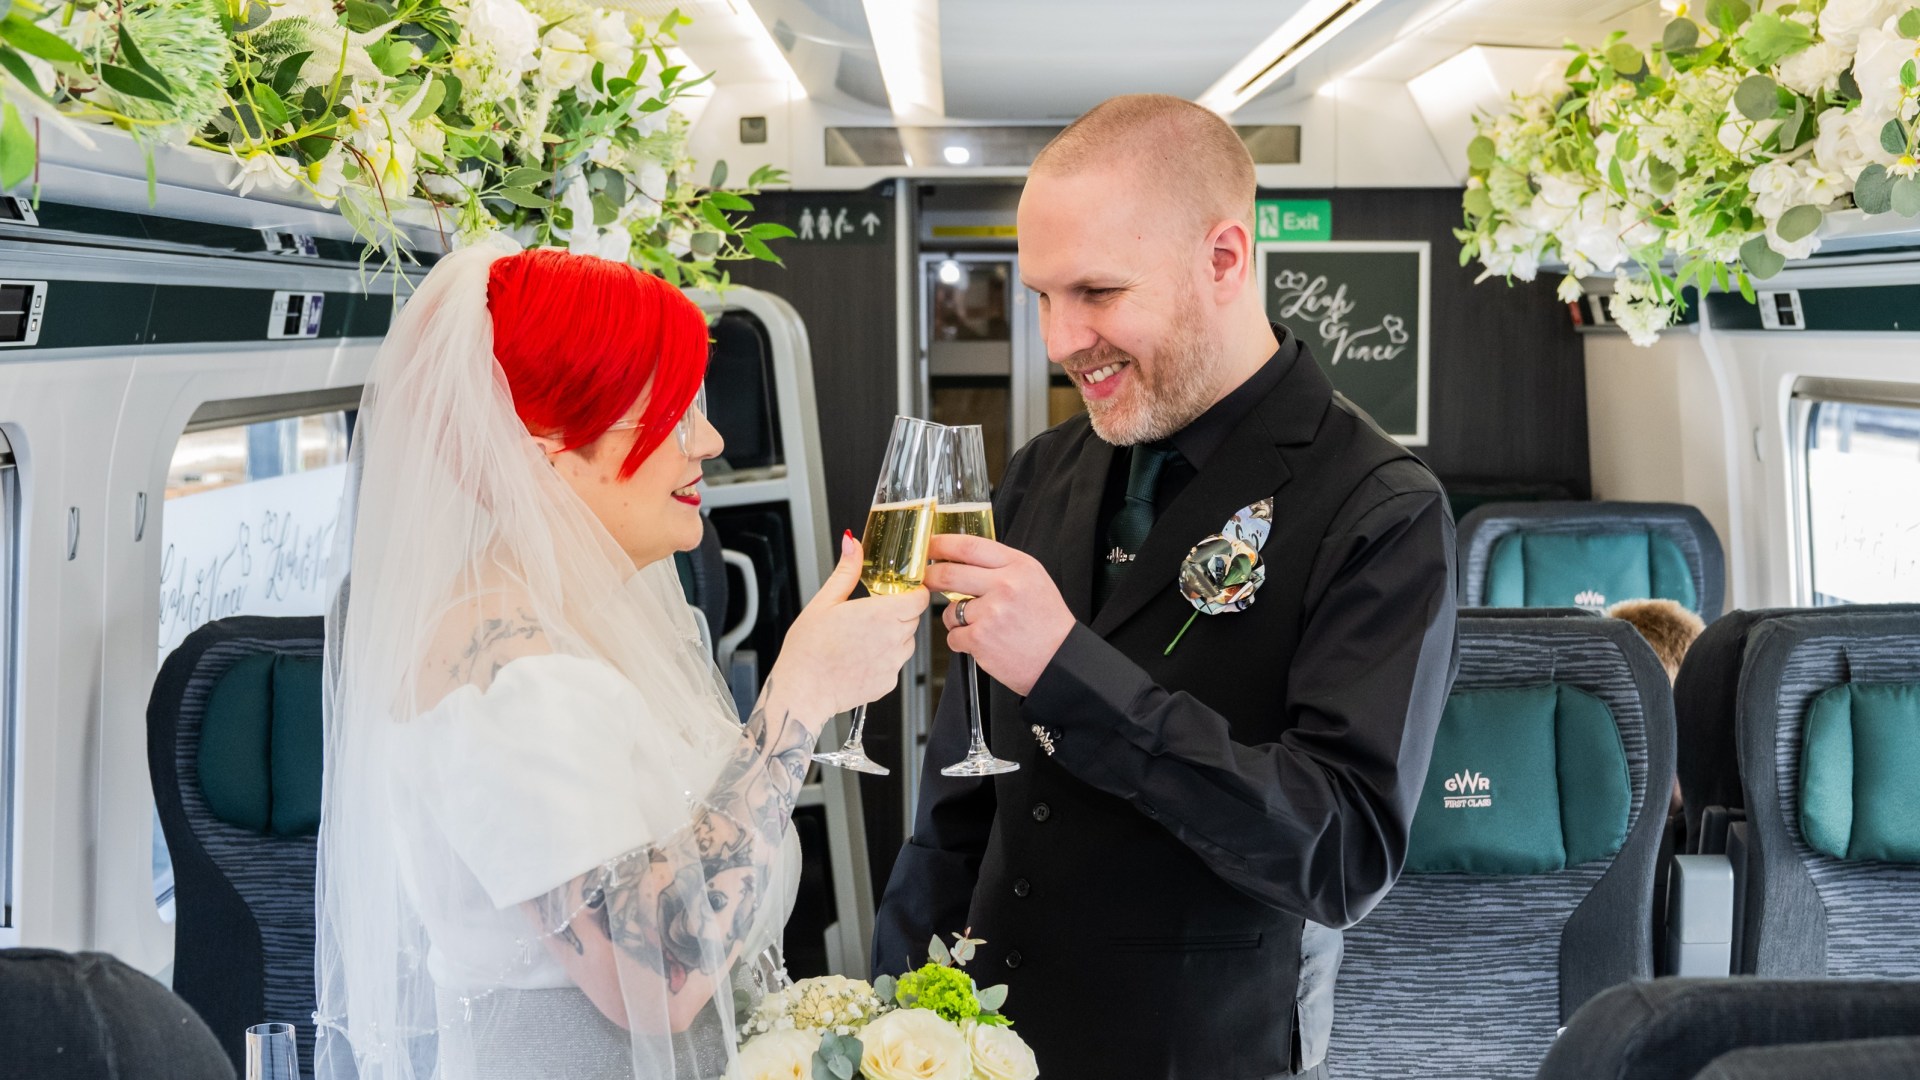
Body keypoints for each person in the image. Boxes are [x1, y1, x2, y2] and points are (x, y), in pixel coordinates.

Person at [872, 95, 1459, 1080]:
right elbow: (960, 788)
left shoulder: (1379, 508)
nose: (1063, 341)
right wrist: (889, 1003)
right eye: (1043, 299)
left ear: (1224, 259)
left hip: (1186, 1047)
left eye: (1097, 292)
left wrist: (1070, 672)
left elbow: (1342, 849)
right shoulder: (1043, 469)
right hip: (975, 1034)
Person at [315, 242, 928, 1080]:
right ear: (550, 446)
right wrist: (800, 693)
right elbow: (658, 977)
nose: (708, 440)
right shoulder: (509, 682)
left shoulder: (582, 625)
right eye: (672, 412)